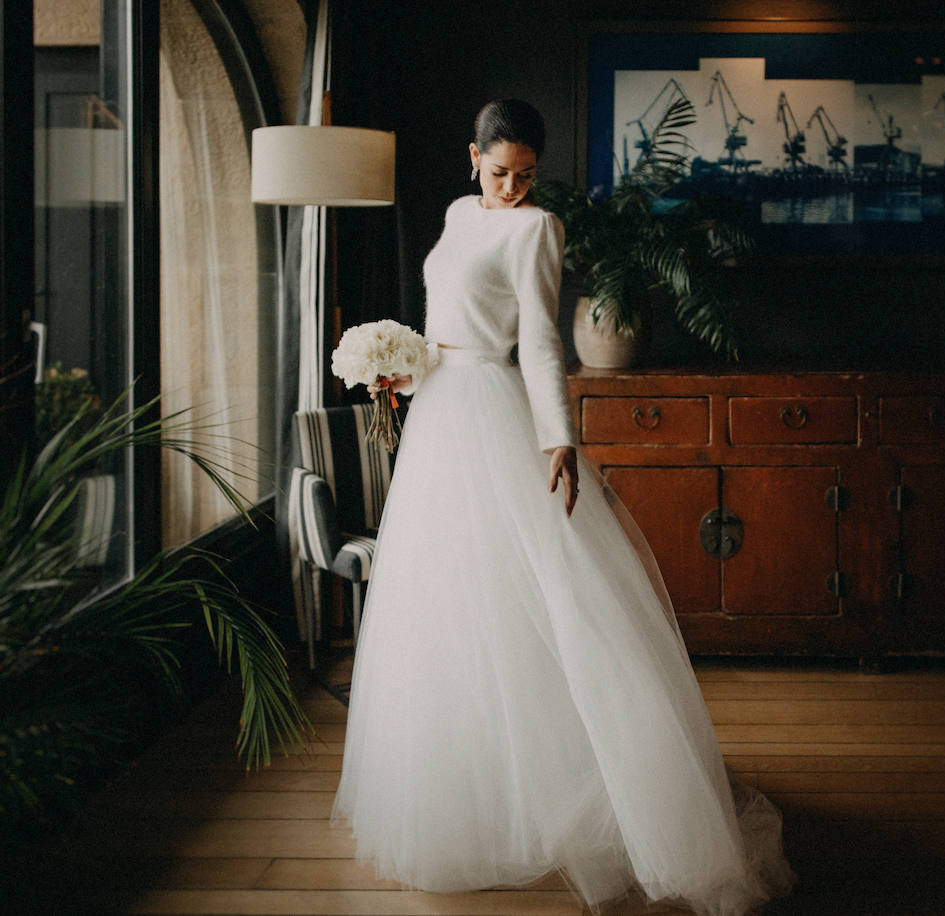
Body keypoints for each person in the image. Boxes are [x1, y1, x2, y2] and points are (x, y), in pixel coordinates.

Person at [330, 99, 796, 916]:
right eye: (499, 171)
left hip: (495, 411)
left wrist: (558, 440)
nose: (511, 187)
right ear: (470, 157)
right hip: (440, 406)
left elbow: (540, 337)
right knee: (450, 603)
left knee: (547, 594)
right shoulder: (454, 212)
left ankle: (603, 792)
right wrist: (404, 366)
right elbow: (449, 318)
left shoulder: (536, 230)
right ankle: (471, 794)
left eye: (526, 175)